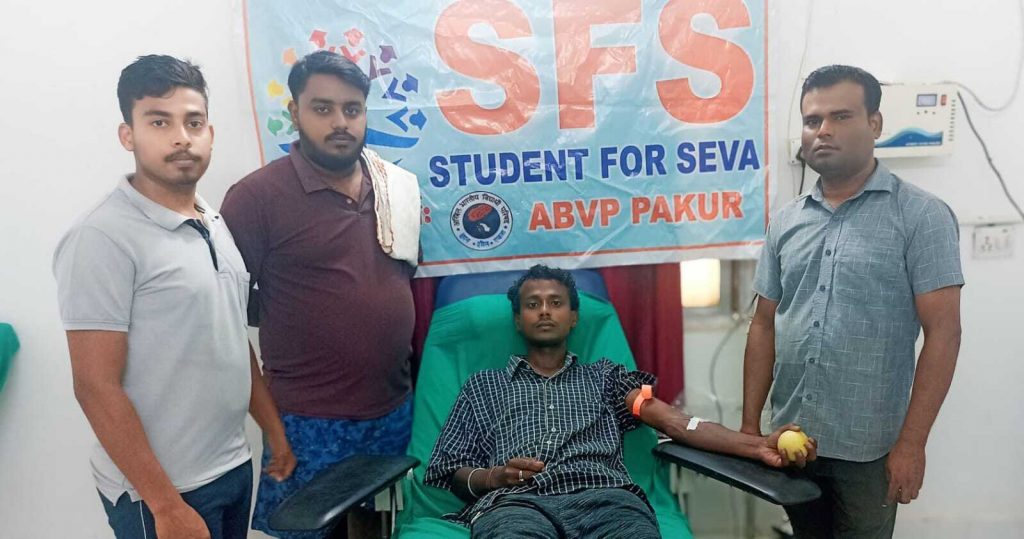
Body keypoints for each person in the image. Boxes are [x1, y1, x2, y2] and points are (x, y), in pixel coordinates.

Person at [53, 54, 295, 539]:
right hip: (163, 492)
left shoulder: (213, 221)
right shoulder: (102, 237)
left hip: (232, 467)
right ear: (128, 136)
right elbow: (95, 386)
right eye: (159, 122)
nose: (181, 137)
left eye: (193, 122)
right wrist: (165, 504)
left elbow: (230, 337)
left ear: (210, 133)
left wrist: (273, 430)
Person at [425, 265, 816, 538]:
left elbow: (674, 422)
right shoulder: (483, 387)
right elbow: (452, 468)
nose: (544, 310)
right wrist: (495, 477)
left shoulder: (608, 379)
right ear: (517, 320)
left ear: (574, 318)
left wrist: (756, 445)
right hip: (516, 506)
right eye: (532, 304)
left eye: (556, 302)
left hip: (607, 502)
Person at [741, 65, 964, 538]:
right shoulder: (786, 222)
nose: (823, 130)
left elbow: (944, 334)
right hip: (792, 437)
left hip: (870, 447)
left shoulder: (921, 216)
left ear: (875, 124)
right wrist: (747, 429)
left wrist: (912, 445)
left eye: (840, 116)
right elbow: (763, 324)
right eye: (812, 120)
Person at [220, 50, 420, 538]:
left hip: (392, 412)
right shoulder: (255, 198)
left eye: (352, 109)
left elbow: (398, 282)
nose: (340, 122)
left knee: (382, 529)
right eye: (322, 108)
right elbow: (224, 311)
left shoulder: (396, 187)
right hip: (307, 422)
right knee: (303, 532)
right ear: (295, 112)